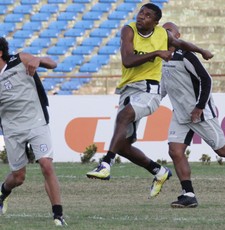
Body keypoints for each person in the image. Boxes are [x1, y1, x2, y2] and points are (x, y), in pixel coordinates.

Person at [86, 3, 213, 199]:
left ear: (155, 22)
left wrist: (202, 51)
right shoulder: (128, 30)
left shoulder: (162, 34)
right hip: (128, 89)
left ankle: (106, 163)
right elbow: (127, 60)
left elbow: (182, 44)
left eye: (147, 15)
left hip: (149, 89)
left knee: (124, 115)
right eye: (141, 12)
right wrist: (156, 53)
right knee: (123, 145)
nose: (141, 17)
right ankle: (158, 171)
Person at [159, 22, 225, 207]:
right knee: (175, 151)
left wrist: (199, 107)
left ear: (178, 35)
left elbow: (206, 80)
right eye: (163, 31)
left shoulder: (186, 56)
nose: (166, 34)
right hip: (180, 114)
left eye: (170, 31)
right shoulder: (162, 58)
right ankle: (188, 194)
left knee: (221, 149)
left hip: (200, 112)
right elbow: (163, 86)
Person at [0, 37, 67, 226]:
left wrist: (38, 60)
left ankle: (58, 215)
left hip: (36, 121)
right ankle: (3, 191)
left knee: (46, 164)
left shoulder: (20, 59)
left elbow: (53, 63)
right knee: (18, 177)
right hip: (12, 128)